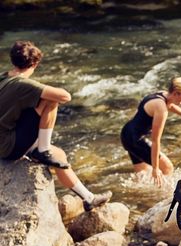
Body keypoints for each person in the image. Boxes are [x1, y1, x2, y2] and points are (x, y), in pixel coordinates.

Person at [0, 40, 112, 211]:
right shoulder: (23, 84)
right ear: (35, 64)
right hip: (8, 146)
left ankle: (88, 198)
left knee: (59, 155)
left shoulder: (4, 77)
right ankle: (43, 150)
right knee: (52, 99)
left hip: (6, 138)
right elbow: (65, 96)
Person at [121, 76, 181, 187]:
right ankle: (164, 196)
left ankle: (142, 197)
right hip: (135, 140)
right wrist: (156, 168)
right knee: (167, 167)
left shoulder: (162, 95)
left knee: (142, 175)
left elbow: (170, 105)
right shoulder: (161, 109)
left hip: (127, 134)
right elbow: (155, 140)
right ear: (176, 93)